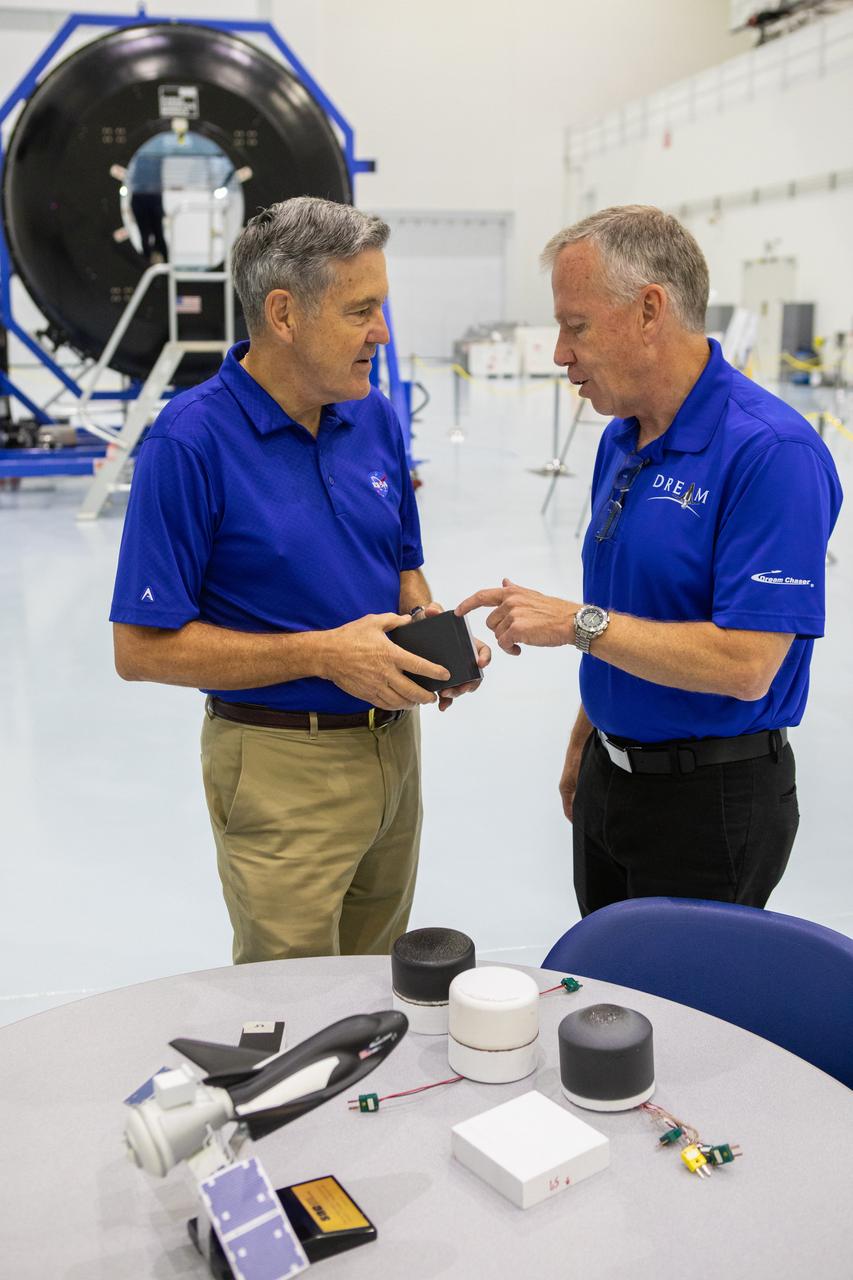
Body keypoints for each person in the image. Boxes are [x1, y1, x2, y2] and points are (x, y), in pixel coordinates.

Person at [111, 197, 488, 962]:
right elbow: (142, 650)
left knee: (380, 984)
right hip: (281, 766)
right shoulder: (190, 442)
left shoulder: (373, 415)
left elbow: (402, 565)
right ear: (283, 314)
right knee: (292, 1008)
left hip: (394, 752)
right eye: (361, 311)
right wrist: (322, 655)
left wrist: (431, 635)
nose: (381, 332)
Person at [457, 205, 842, 916]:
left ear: (648, 311)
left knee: (684, 1019)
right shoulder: (622, 439)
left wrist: (576, 625)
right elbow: (638, 610)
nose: (558, 354)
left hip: (708, 804)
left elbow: (745, 665)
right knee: (604, 1006)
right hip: (613, 776)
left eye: (576, 326)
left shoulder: (769, 454)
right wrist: (590, 734)